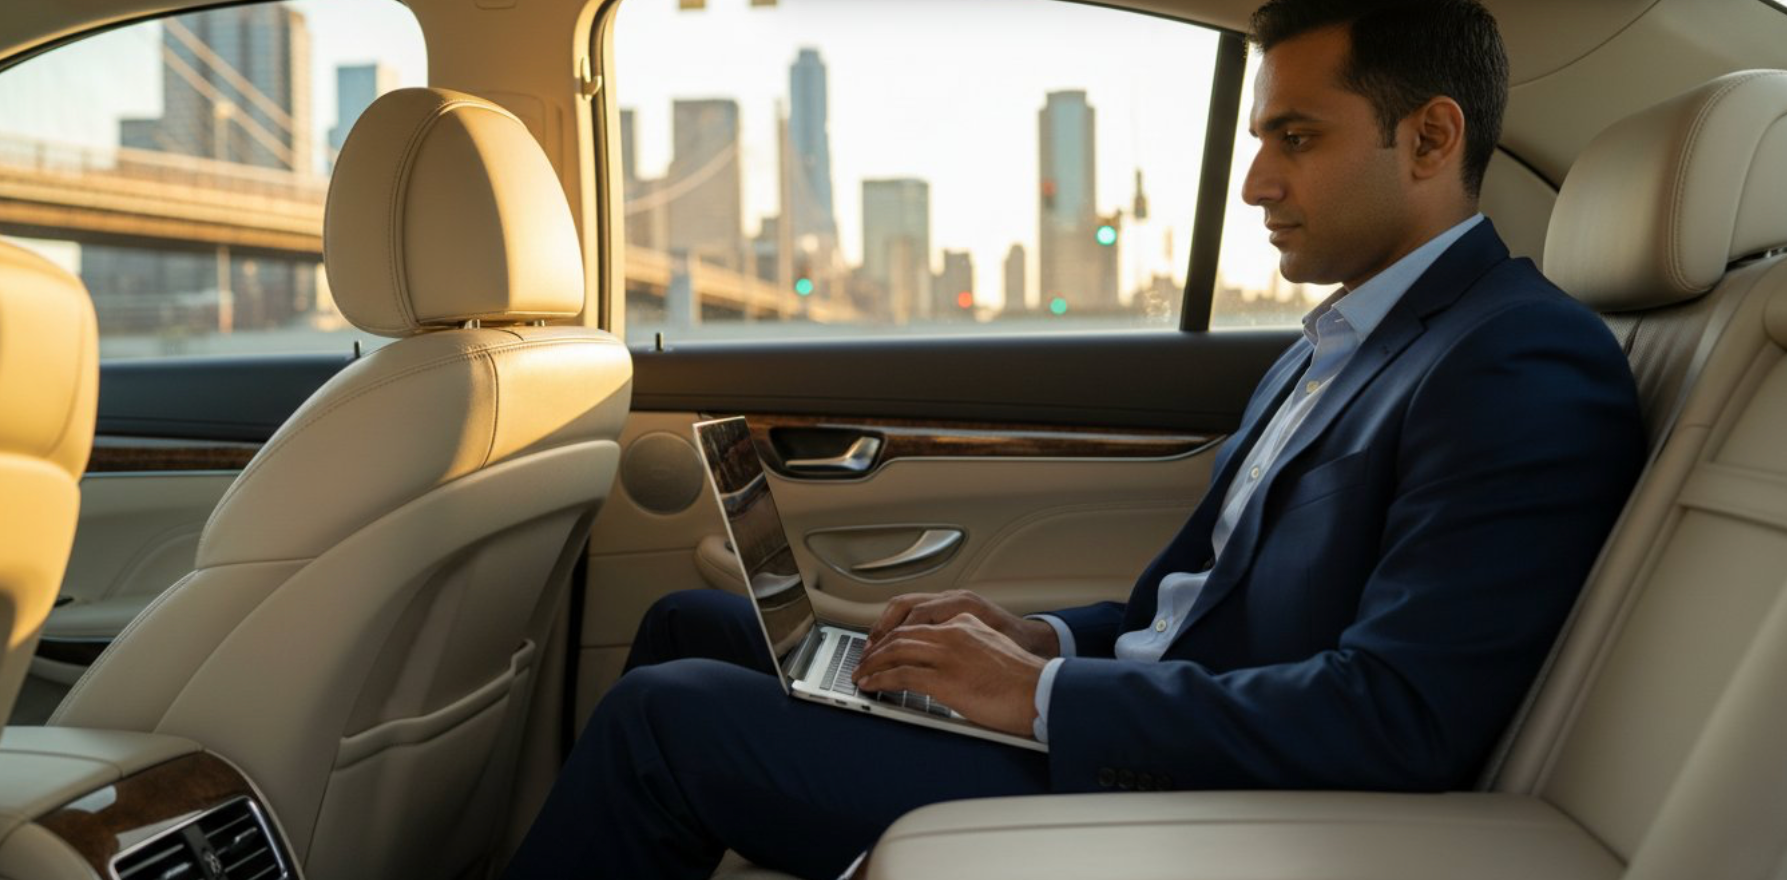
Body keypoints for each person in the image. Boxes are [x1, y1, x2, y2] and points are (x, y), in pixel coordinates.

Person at [502, 1, 1644, 877]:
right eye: (1256, 140)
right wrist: (1035, 637)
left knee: (667, 722)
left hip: (1204, 795)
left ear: (1430, 137)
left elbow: (1397, 720)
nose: (1253, 181)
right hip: (1134, 721)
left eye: (1294, 137)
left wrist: (1037, 699)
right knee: (691, 625)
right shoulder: (1328, 345)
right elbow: (1191, 611)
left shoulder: (1518, 363)